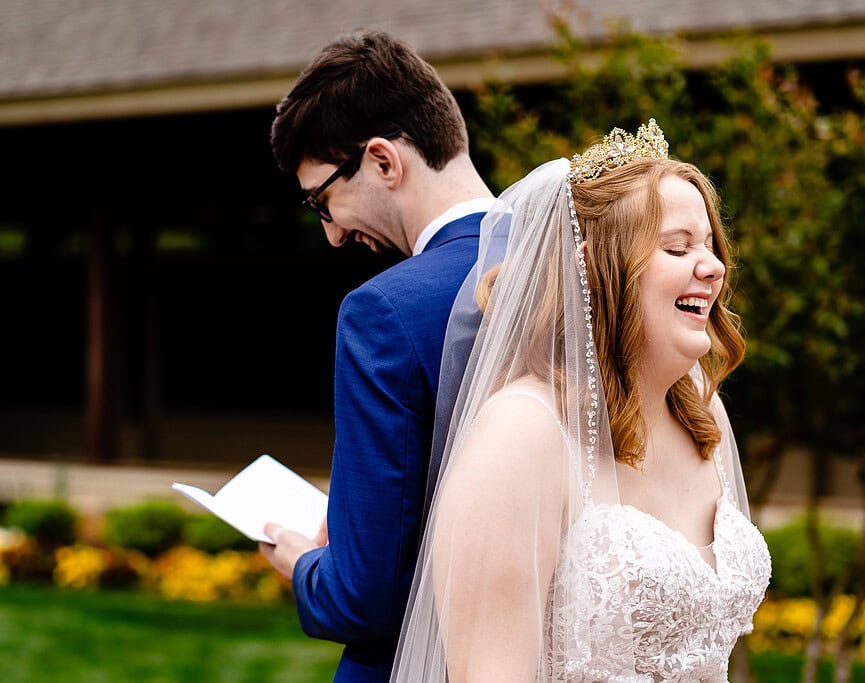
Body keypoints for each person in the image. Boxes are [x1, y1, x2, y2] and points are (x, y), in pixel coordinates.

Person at [391, 120, 771, 682]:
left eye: (711, 246)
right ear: (592, 269)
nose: (713, 267)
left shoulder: (701, 412)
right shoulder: (521, 434)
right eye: (678, 246)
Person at [259, 30, 494, 682]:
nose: (332, 235)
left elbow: (365, 595)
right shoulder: (577, 275)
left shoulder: (384, 311)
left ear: (384, 160)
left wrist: (304, 562)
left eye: (322, 199)